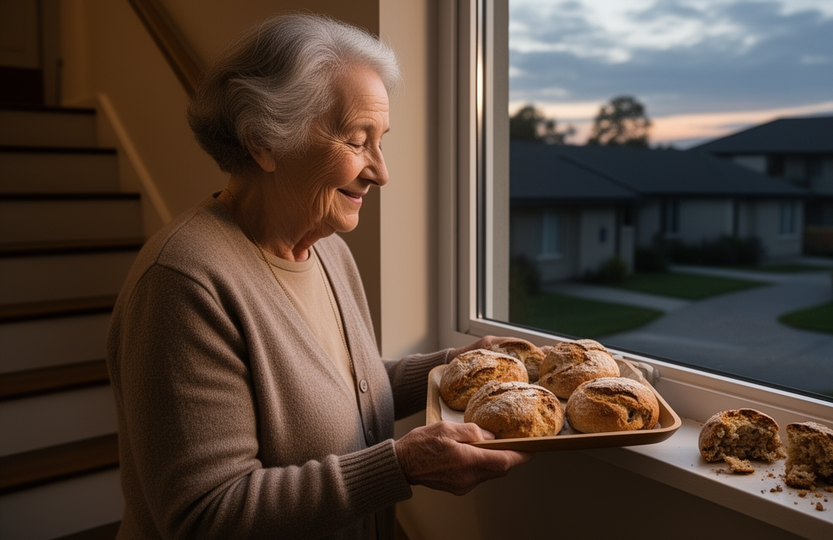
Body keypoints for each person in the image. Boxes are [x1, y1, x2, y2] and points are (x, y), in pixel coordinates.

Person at [106, 12, 531, 540]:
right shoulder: (183, 283)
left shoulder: (326, 248)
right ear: (263, 140)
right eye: (358, 141)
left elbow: (342, 390)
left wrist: (454, 367)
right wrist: (400, 467)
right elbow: (206, 516)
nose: (381, 170)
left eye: (382, 140)